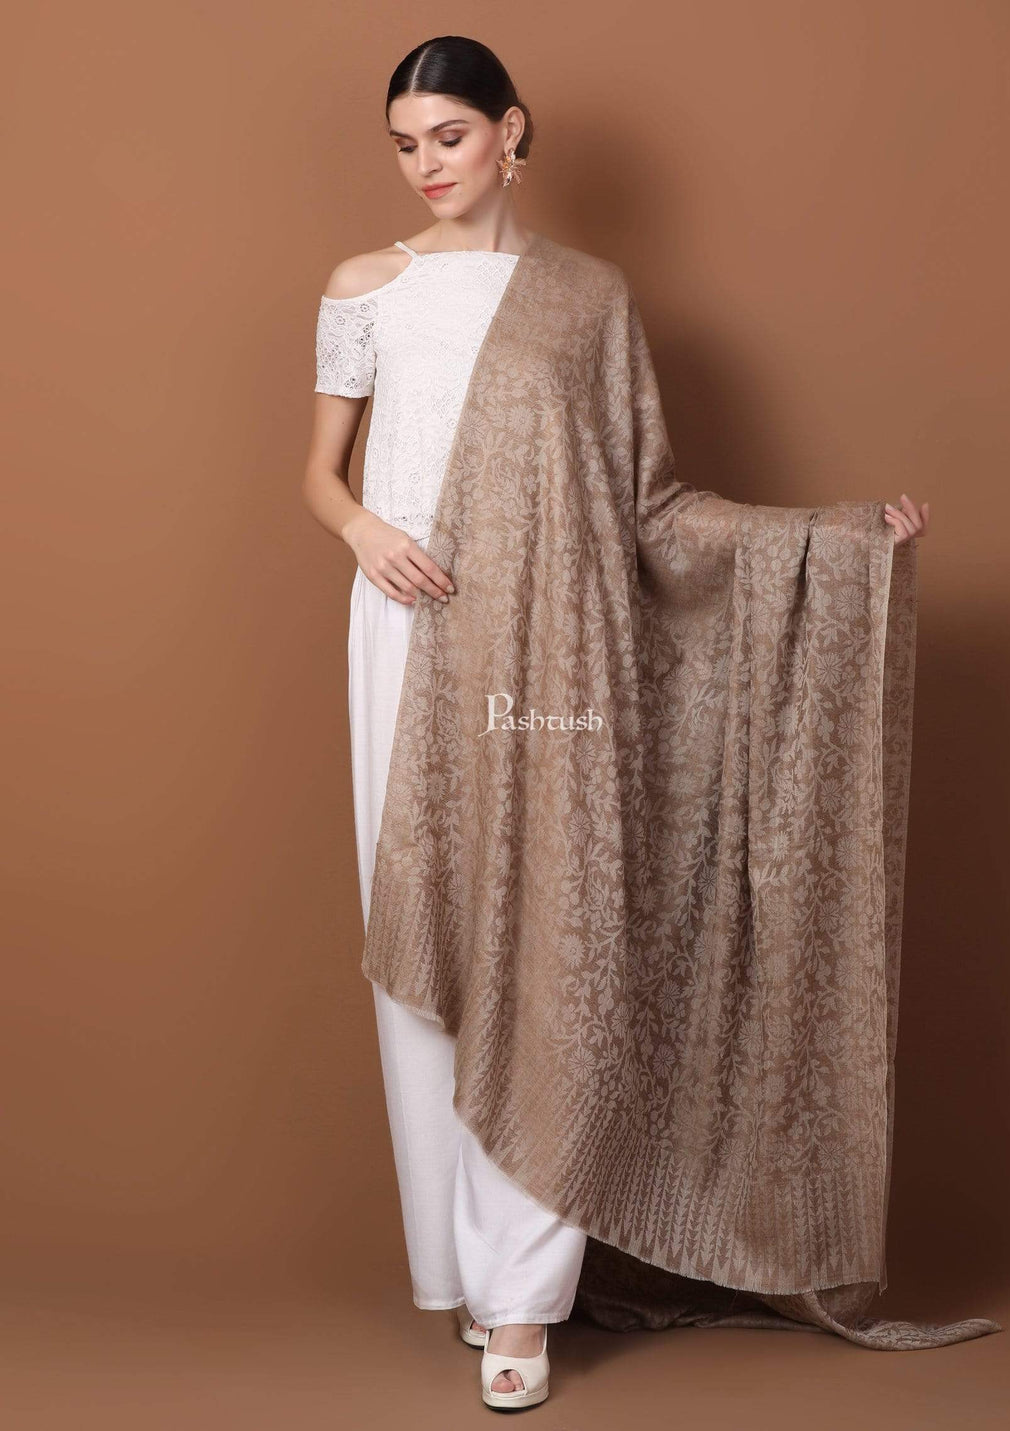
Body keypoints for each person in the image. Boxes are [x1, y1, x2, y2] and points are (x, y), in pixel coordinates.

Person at [302, 35, 931, 1413]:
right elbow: (319, 473)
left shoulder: (587, 299)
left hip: (554, 652)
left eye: (451, 135)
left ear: (512, 130)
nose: (427, 164)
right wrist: (362, 534)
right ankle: (465, 1276)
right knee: (427, 938)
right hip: (402, 637)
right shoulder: (365, 287)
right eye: (405, 143)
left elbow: (649, 505)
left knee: (550, 940)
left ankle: (525, 1300)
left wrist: (836, 540)